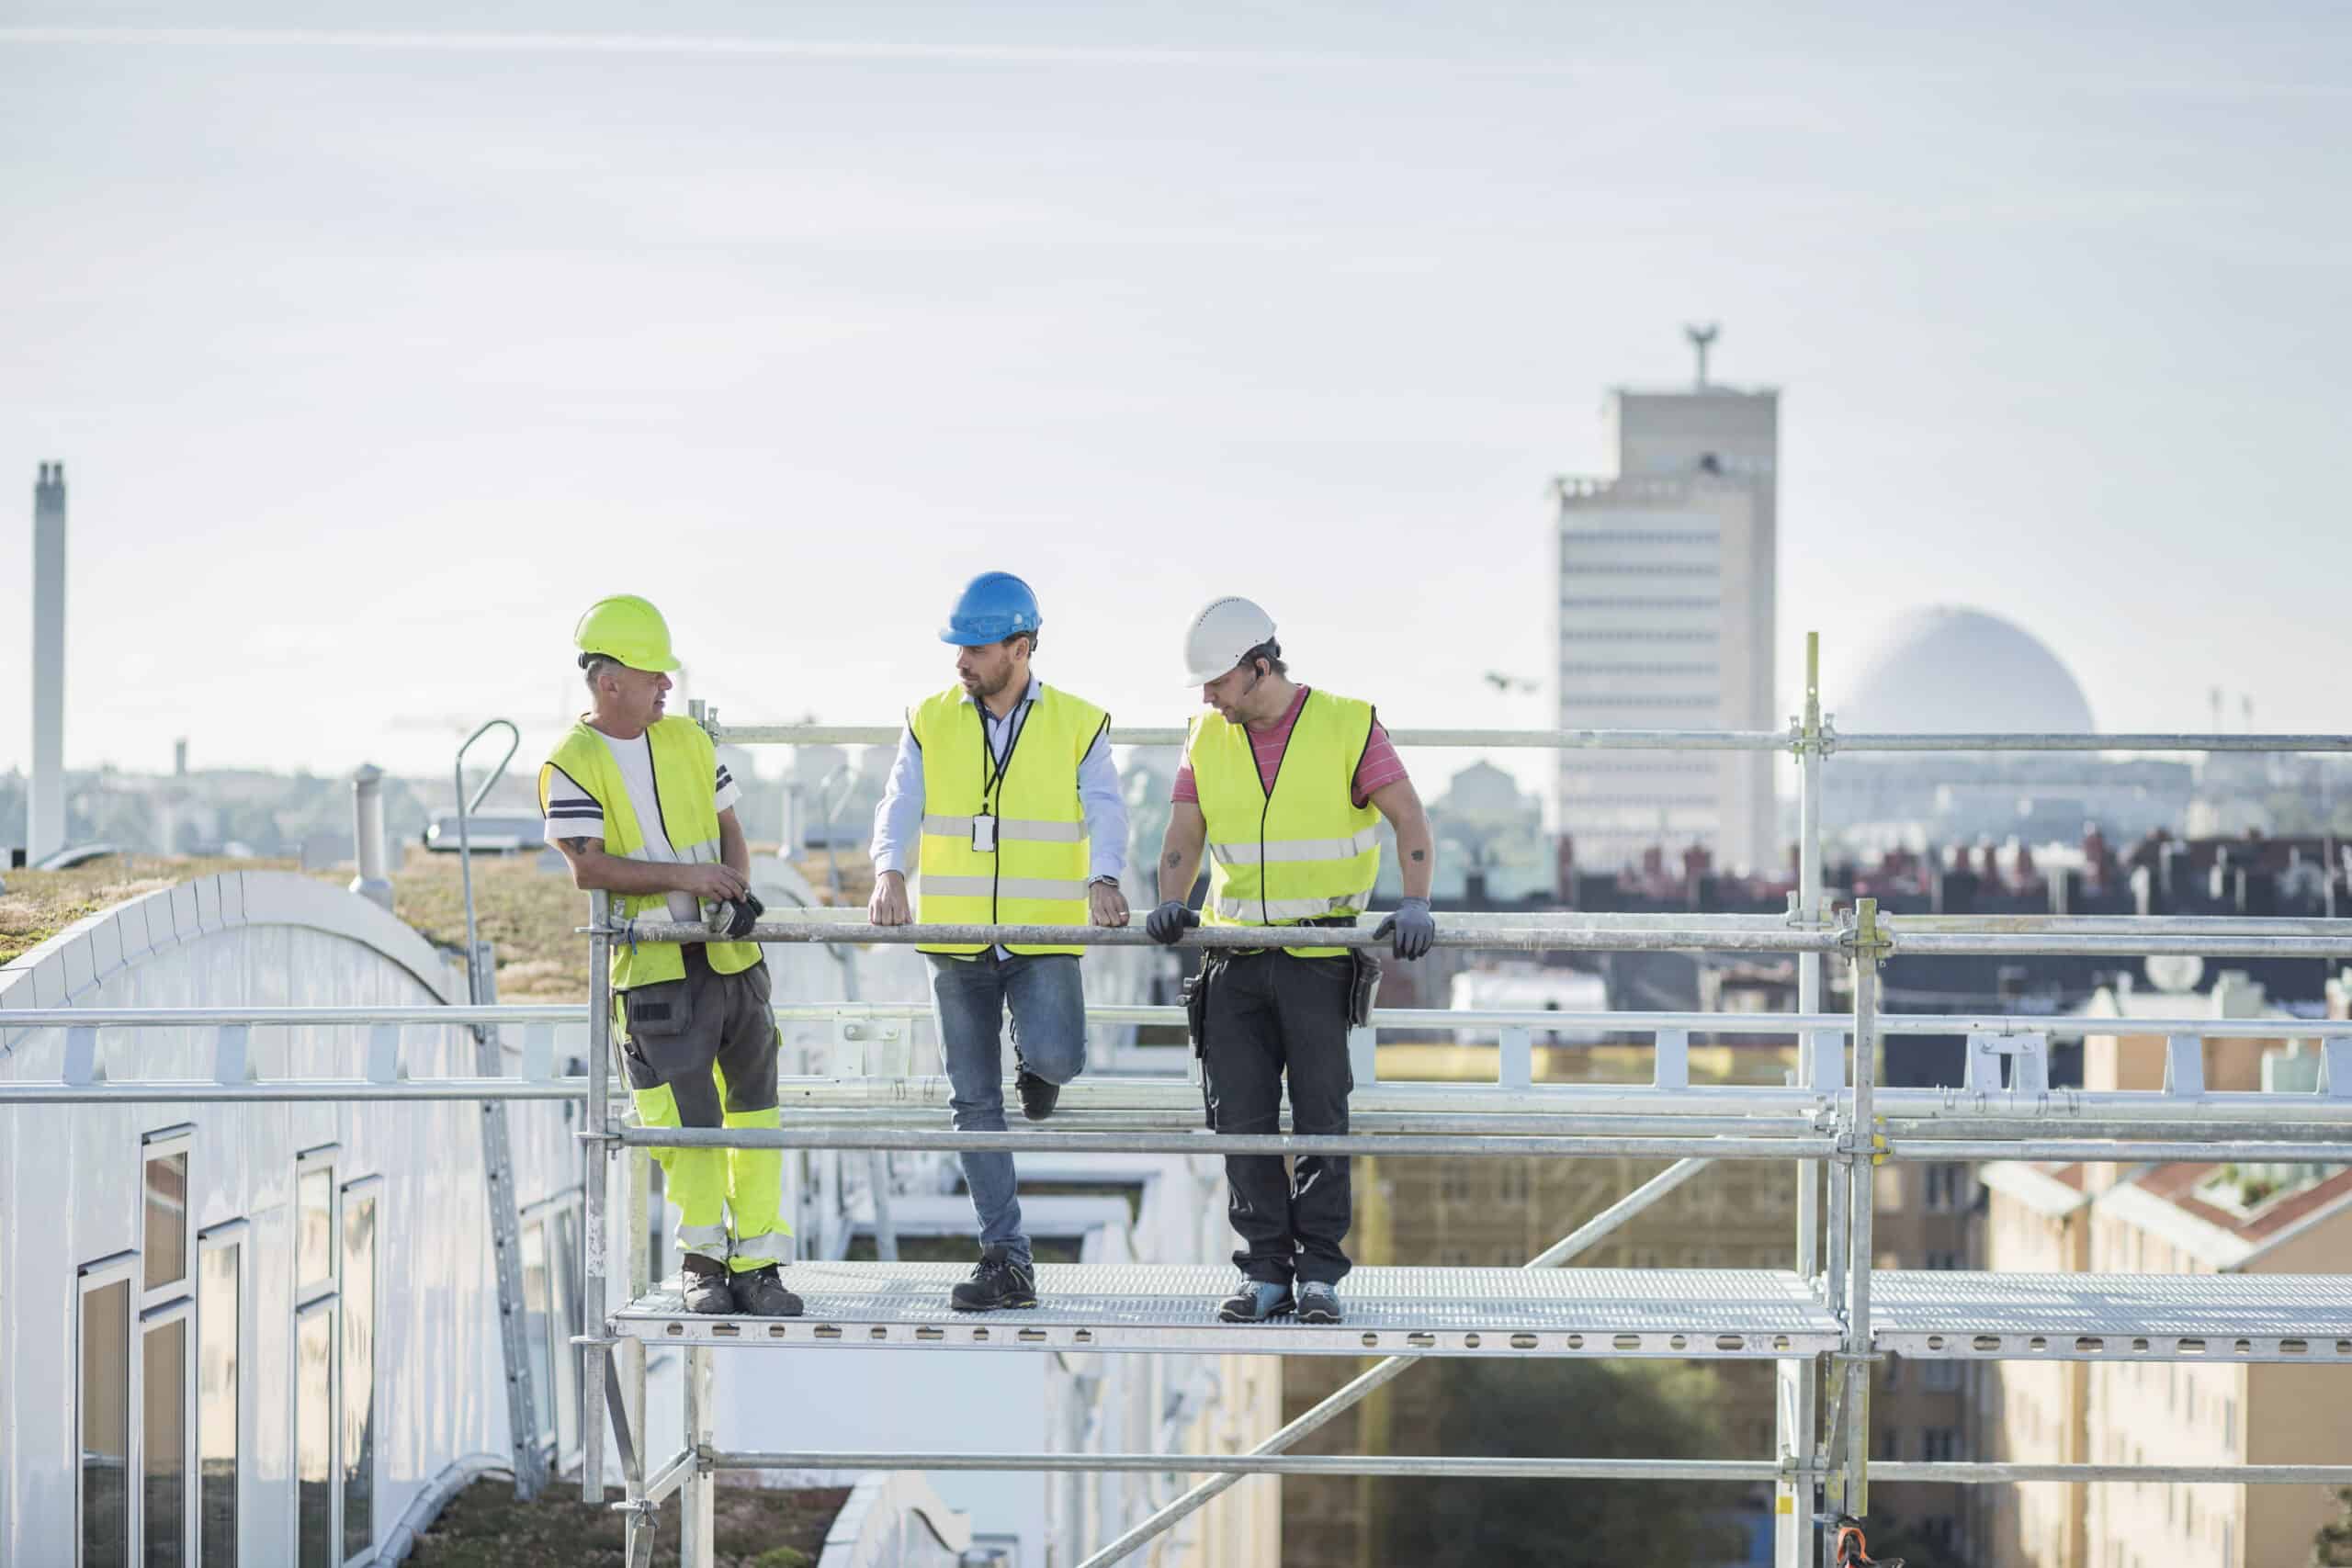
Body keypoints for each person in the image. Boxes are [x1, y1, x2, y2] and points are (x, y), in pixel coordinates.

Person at [1147, 596, 1435, 1325]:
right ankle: (1265, 1271)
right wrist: (1172, 901)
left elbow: (1408, 815)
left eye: (1218, 682)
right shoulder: (1205, 736)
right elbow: (1183, 832)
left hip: (1318, 953)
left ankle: (1320, 1277)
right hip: (1233, 955)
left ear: (1259, 667)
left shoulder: (1347, 724)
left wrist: (1416, 901)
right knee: (1239, 1120)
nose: (1209, 698)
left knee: (1319, 1118)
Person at [869, 571, 1130, 1310]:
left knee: (1058, 1057)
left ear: (1021, 647)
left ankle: (1036, 1062)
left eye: (976, 649)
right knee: (972, 1101)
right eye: (957, 648)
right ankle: (1006, 1258)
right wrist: (889, 871)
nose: (961, 661)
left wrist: (1105, 876)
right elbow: (900, 802)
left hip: (1041, 933)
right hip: (955, 939)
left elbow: (1106, 808)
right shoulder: (929, 718)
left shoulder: (1078, 722)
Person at [540, 594, 800, 1317]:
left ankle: (759, 1266)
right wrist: (693, 878)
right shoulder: (570, 763)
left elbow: (730, 829)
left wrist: (734, 886)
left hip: (731, 960)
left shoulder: (688, 739)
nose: (666, 684)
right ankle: (703, 1264)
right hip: (656, 974)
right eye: (653, 673)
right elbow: (589, 868)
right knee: (688, 1129)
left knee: (757, 1115)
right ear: (609, 680)